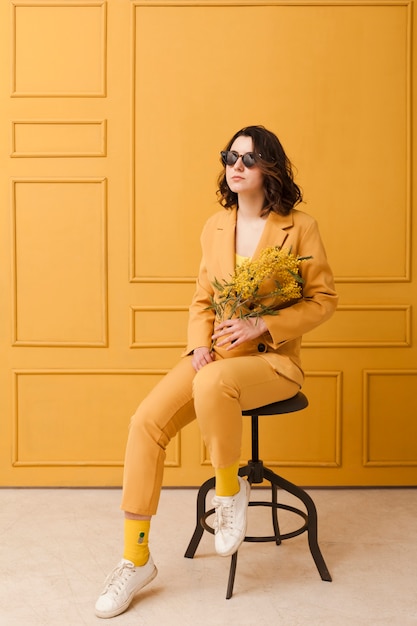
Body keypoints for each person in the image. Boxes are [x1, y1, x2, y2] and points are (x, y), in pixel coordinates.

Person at [94, 125, 338, 618]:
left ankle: (230, 492)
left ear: (271, 166)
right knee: (145, 422)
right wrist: (196, 345)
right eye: (231, 156)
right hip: (215, 360)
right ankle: (135, 559)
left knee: (212, 384)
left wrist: (261, 325)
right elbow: (201, 299)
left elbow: (323, 302)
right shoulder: (214, 227)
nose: (236, 165)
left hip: (273, 362)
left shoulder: (300, 227)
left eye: (248, 158)